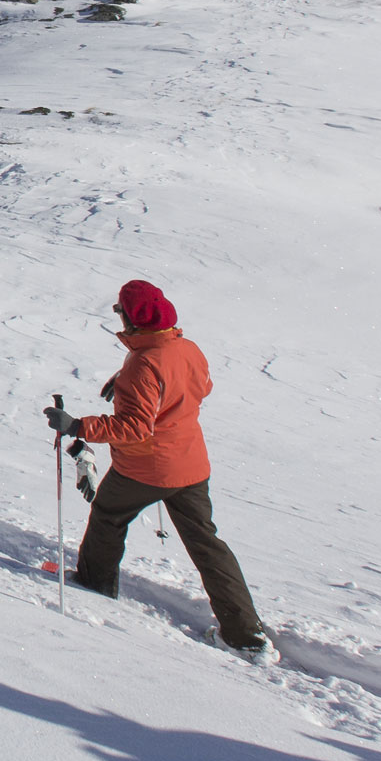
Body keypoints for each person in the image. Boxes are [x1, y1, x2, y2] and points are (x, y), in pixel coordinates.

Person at [45, 280, 272, 658]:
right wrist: (130, 384)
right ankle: (245, 635)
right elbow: (201, 387)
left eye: (120, 311)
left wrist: (76, 426)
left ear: (134, 319)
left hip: (146, 468)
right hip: (191, 465)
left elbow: (134, 429)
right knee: (207, 544)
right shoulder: (187, 348)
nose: (118, 317)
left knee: (107, 514)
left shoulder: (143, 364)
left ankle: (94, 585)